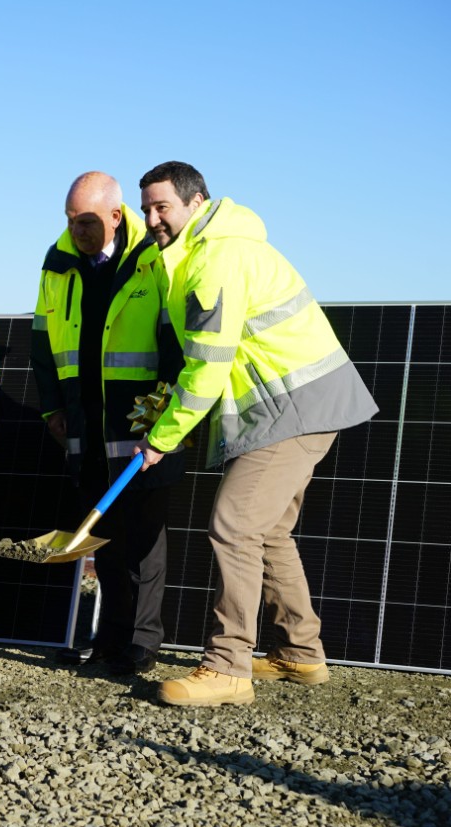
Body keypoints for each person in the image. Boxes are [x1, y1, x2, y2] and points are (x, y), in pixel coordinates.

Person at [134, 161, 378, 706]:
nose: (152, 218)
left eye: (162, 207)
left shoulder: (217, 258)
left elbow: (209, 365)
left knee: (233, 526)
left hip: (291, 407)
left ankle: (228, 667)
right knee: (267, 532)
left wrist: (163, 437)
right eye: (146, 207)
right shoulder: (202, 250)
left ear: (196, 203)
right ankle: (300, 652)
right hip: (297, 405)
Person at [31, 172, 184, 677]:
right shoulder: (56, 268)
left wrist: (161, 419)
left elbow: (175, 346)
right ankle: (108, 641)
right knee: (106, 542)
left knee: (142, 538)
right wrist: (53, 408)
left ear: (118, 217)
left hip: (144, 425)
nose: (78, 229)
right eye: (71, 220)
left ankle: (141, 644)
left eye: (88, 221)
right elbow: (42, 344)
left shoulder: (155, 260)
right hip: (85, 426)